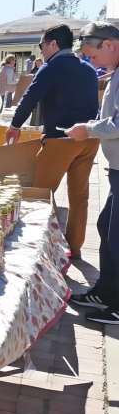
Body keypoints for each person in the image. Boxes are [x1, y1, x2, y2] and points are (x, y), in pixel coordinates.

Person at [7, 23, 101, 258]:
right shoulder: (88, 68)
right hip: (89, 138)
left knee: (40, 195)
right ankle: (75, 248)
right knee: (79, 197)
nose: (41, 51)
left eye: (42, 45)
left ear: (53, 44)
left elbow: (30, 97)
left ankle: (39, 251)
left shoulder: (51, 67)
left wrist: (15, 125)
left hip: (61, 138)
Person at [67, 25, 119, 321]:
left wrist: (89, 130)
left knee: (116, 236)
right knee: (106, 229)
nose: (94, 64)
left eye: (94, 55)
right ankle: (106, 292)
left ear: (109, 45)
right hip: (115, 168)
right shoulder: (114, 72)